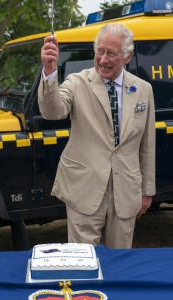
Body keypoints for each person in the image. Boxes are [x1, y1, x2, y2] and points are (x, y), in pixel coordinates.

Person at [38, 23, 155, 249]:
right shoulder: (76, 82)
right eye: (99, 51)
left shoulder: (143, 90)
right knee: (84, 262)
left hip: (126, 192)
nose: (103, 60)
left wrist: (147, 191)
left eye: (112, 53)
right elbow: (53, 111)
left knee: (119, 262)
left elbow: (147, 145)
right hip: (84, 191)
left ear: (128, 56)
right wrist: (50, 71)